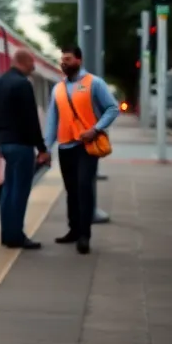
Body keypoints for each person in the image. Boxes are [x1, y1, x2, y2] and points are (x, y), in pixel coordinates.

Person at [43, 46, 120, 254]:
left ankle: (85, 236)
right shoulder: (57, 89)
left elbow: (112, 108)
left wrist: (95, 129)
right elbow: (52, 120)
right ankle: (74, 230)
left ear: (79, 60)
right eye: (62, 60)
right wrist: (46, 148)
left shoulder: (94, 83)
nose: (63, 63)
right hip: (65, 147)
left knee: (84, 188)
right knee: (71, 191)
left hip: (86, 147)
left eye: (68, 59)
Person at [0, 48, 50, 249]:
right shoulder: (23, 84)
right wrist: (42, 148)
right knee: (20, 191)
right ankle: (16, 236)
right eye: (32, 64)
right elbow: (30, 119)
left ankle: (7, 234)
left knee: (8, 190)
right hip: (21, 145)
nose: (33, 67)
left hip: (5, 144)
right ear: (23, 62)